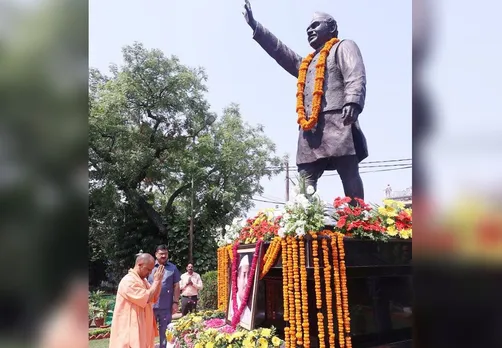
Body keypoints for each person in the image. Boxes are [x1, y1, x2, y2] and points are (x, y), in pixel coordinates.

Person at [243, 0, 368, 204]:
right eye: (307, 29)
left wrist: (353, 101)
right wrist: (256, 27)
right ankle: (304, 222)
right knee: (305, 178)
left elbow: (355, 74)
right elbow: (280, 51)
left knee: (348, 171)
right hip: (310, 129)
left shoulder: (343, 46)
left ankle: (358, 220)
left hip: (338, 120)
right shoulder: (306, 64)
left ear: (332, 27)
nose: (310, 31)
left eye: (315, 25)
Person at [109, 253, 165, 348]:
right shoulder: (128, 281)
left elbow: (153, 297)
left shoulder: (143, 281)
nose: (150, 273)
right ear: (139, 264)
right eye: (148, 269)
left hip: (143, 328)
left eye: (151, 270)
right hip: (130, 331)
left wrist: (158, 281)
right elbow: (146, 297)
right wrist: (155, 282)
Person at [147, 245, 180, 348]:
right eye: (161, 254)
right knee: (148, 331)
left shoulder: (173, 268)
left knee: (165, 332)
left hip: (166, 306)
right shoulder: (150, 267)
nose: (164, 256)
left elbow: (177, 286)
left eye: (165, 253)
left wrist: (175, 302)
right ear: (156, 254)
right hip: (150, 306)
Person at [227, 254, 252, 327]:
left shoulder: (253, 305)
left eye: (249, 276)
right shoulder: (231, 305)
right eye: (244, 275)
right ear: (237, 279)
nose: (247, 282)